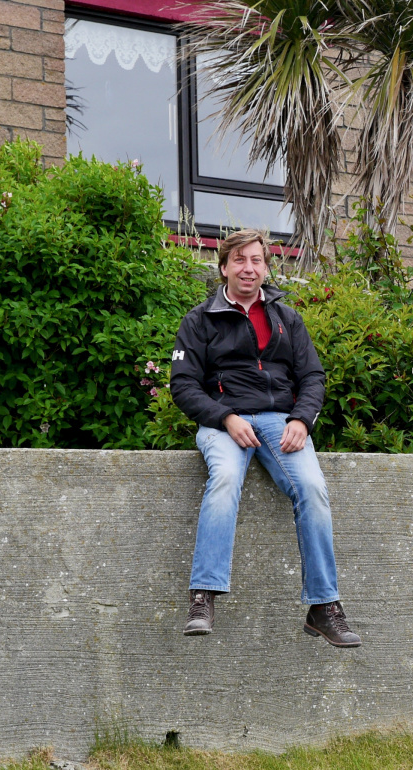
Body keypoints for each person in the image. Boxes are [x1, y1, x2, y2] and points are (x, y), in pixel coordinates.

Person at [168, 229, 360, 647]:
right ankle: (204, 594)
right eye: (239, 260)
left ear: (266, 267)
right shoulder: (199, 321)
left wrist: (302, 420)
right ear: (223, 268)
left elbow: (312, 376)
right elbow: (183, 387)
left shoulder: (287, 319)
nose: (248, 268)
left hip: (280, 421)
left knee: (312, 487)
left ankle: (323, 607)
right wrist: (225, 417)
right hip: (226, 422)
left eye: (256, 260)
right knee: (223, 481)